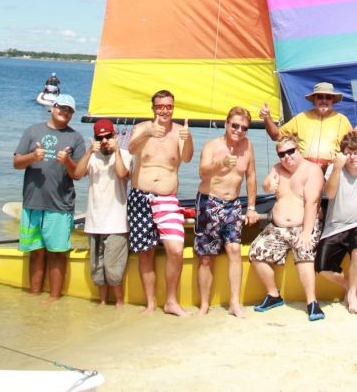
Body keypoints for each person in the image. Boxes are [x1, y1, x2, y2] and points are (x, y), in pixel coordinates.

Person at [13, 94, 85, 302]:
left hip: (60, 205)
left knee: (57, 253)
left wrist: (67, 161)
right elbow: (17, 163)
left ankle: (54, 299)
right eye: (62, 107)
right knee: (35, 252)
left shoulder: (76, 138)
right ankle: (34, 295)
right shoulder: (32, 131)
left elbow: (78, 174)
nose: (65, 112)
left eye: (69, 110)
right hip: (32, 203)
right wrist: (33, 156)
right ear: (52, 107)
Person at [127, 89, 193, 316]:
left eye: (169, 106)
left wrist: (188, 138)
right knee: (145, 252)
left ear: (173, 108)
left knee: (175, 249)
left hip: (167, 199)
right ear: (153, 108)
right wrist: (147, 134)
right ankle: (150, 303)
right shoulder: (141, 128)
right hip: (140, 197)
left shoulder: (179, 131)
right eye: (160, 106)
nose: (165, 111)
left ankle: (171, 302)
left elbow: (187, 158)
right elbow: (130, 149)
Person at [249, 135, 326, 321]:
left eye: (290, 151)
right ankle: (273, 295)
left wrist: (306, 232)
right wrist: (268, 184)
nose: (287, 157)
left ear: (298, 150)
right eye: (282, 154)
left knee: (304, 250)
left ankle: (312, 302)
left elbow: (312, 203)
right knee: (256, 251)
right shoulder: (277, 168)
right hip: (278, 227)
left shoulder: (312, 170)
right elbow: (266, 186)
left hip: (304, 224)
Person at [194, 106, 260, 317]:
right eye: (235, 126)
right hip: (209, 202)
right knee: (207, 256)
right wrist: (220, 163)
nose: (239, 131)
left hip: (233, 204)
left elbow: (251, 176)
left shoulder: (247, 146)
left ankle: (234, 303)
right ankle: (204, 304)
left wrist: (251, 207)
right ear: (226, 124)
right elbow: (202, 173)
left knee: (234, 250)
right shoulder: (212, 146)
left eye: (244, 128)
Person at [74, 118, 132, 307]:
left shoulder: (125, 154)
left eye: (108, 137)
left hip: (116, 223)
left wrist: (117, 151)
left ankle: (120, 302)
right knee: (97, 269)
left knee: (113, 269)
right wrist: (89, 151)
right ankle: (102, 302)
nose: (105, 141)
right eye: (100, 138)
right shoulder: (92, 156)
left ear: (115, 135)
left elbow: (122, 174)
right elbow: (77, 174)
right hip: (94, 222)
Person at [314, 131, 357, 313]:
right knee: (321, 267)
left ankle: (352, 294)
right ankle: (347, 284)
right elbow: (330, 193)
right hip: (334, 225)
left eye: (356, 153)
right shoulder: (334, 168)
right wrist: (337, 167)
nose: (352, 157)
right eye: (348, 153)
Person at [259, 82, 353, 166]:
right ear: (314, 100)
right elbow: (276, 136)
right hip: (305, 170)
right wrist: (267, 118)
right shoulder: (300, 118)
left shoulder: (343, 120)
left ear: (332, 100)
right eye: (320, 97)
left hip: (332, 171)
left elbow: (353, 147)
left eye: (328, 97)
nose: (324, 100)